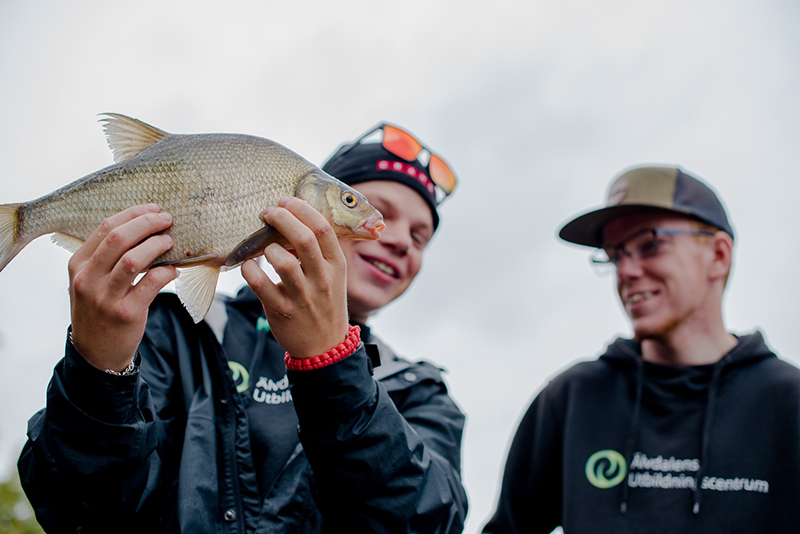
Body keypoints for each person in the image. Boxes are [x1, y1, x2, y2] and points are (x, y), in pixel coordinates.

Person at [18, 122, 468, 533]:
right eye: (361, 202)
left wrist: (332, 363)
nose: (393, 235)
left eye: (418, 237)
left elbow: (430, 523)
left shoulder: (421, 391)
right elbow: (76, 513)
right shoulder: (172, 330)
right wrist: (97, 369)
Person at [483, 166, 800, 533]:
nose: (627, 271)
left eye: (650, 244)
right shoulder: (574, 398)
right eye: (616, 255)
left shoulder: (787, 403)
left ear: (718, 256)